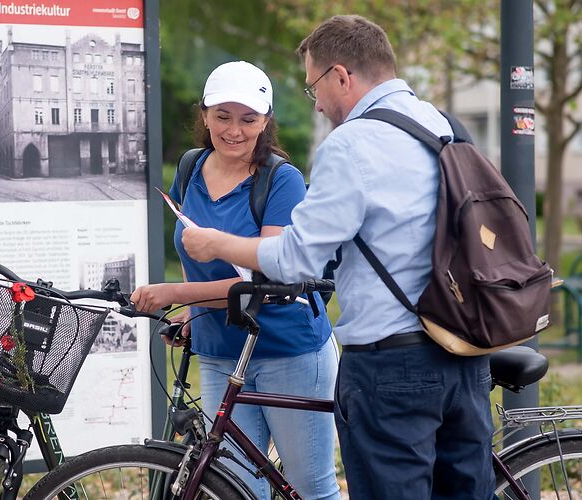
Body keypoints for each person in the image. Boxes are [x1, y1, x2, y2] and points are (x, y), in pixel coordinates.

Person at [180, 16, 495, 500]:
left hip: (393, 364)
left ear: (342, 76)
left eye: (315, 88)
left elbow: (296, 260)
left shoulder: (349, 144)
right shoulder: (441, 124)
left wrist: (217, 243)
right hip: (464, 351)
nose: (320, 105)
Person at [131, 61, 340, 500]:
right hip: (219, 351)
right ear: (204, 115)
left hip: (289, 350)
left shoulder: (281, 180)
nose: (234, 130)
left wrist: (172, 294)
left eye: (248, 119)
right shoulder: (190, 168)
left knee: (309, 486)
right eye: (222, 116)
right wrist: (193, 309)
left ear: (265, 121)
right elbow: (194, 254)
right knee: (235, 489)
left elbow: (264, 279)